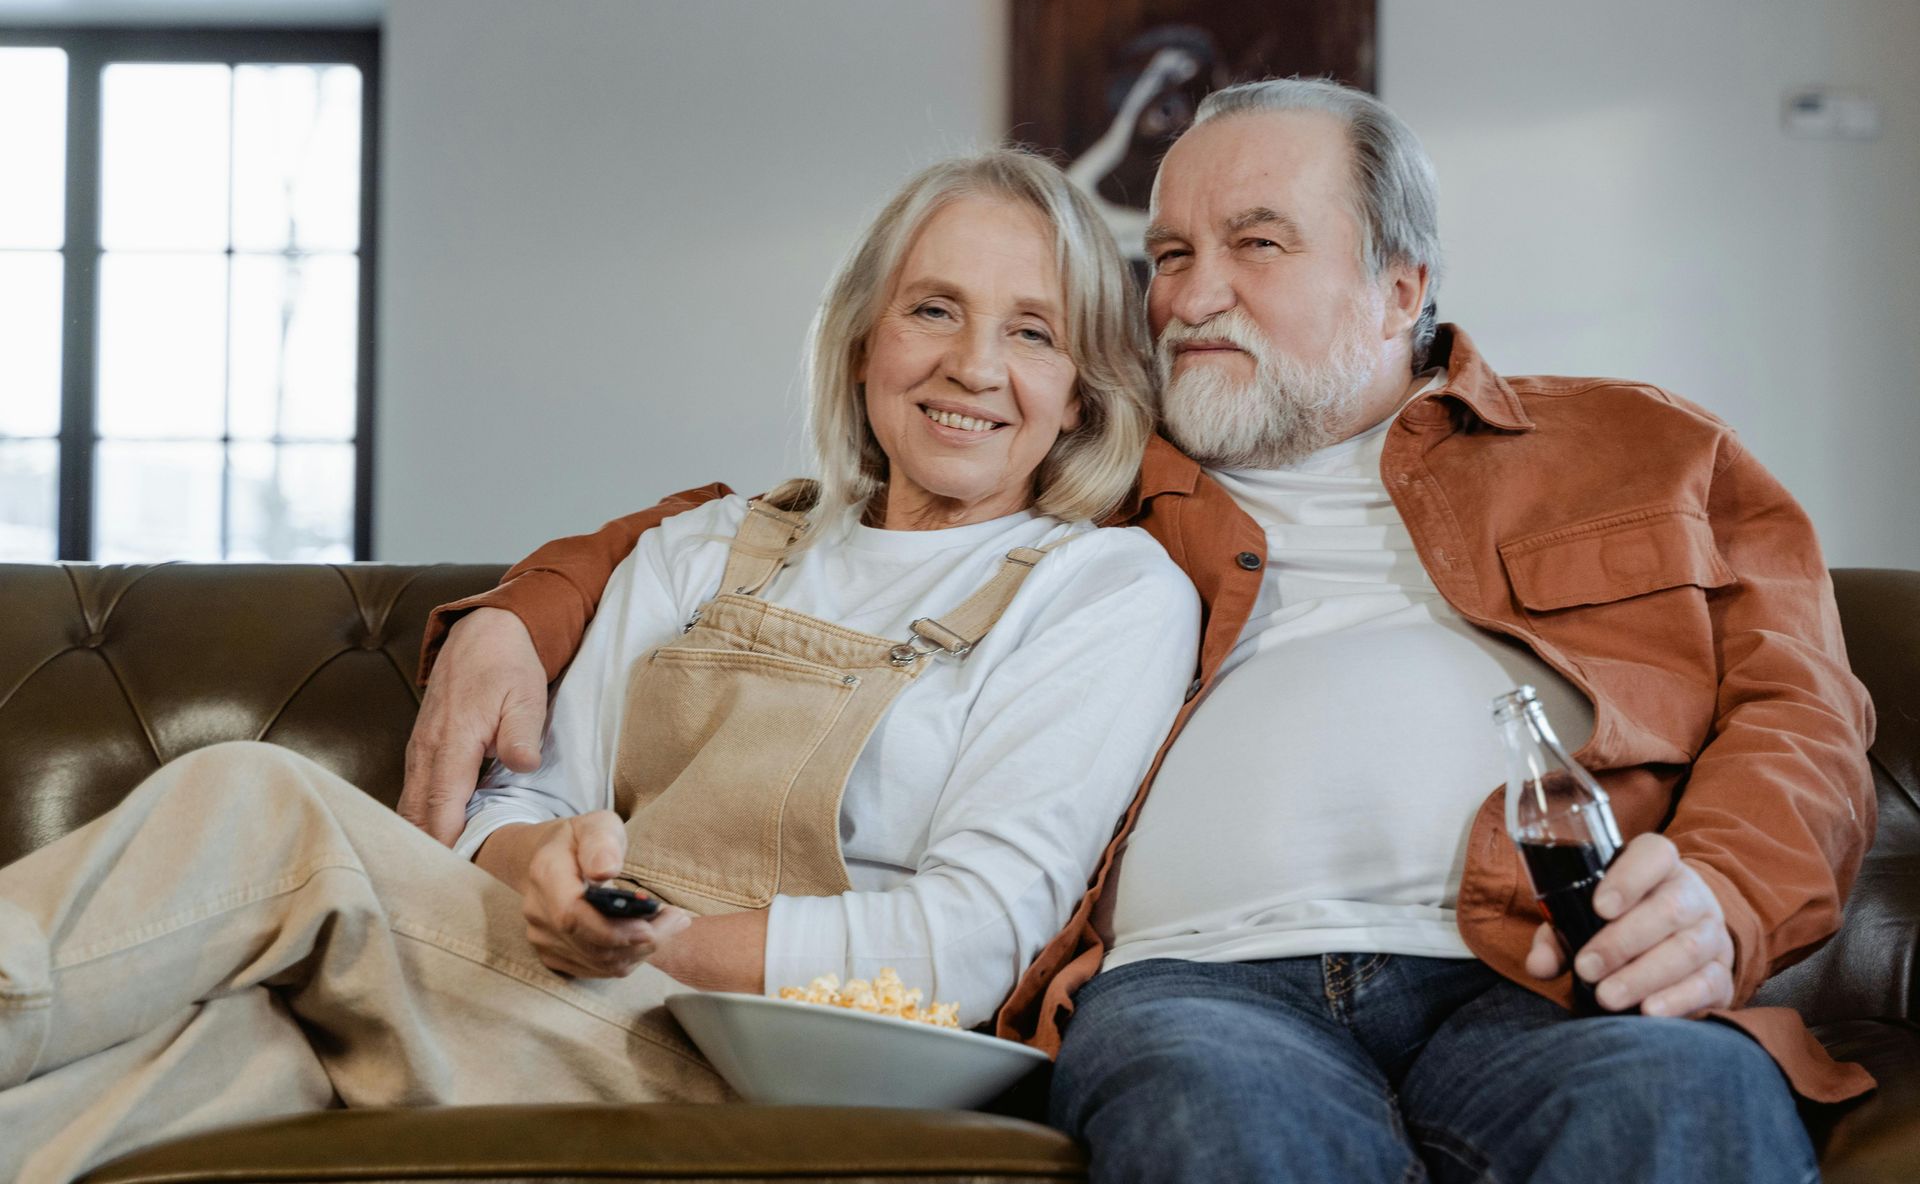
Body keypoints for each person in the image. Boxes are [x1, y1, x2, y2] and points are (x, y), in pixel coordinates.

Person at [405, 79, 1876, 1183]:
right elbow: (800, 519)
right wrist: (523, 610)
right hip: (1197, 990)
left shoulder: (1642, 449)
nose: (1192, 293)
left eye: (1256, 242)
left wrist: (1725, 899)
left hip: (1546, 974)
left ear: (1401, 286)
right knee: (1201, 1117)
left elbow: (1802, 714)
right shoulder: (1097, 471)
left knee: (1682, 1103)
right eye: (1169, 253)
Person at [0, 150, 1201, 1184]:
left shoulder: (1101, 591)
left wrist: (652, 937)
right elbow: (512, 802)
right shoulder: (704, 547)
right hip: (557, 990)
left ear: (1080, 393)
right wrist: (540, 870)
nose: (975, 365)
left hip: (780, 1063)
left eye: (1032, 331)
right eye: (933, 309)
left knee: (266, 803)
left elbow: (970, 940)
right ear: (860, 342)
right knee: (230, 1054)